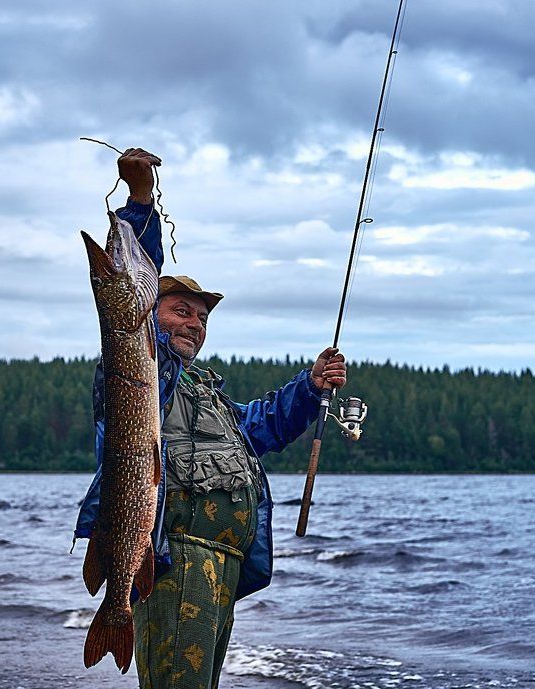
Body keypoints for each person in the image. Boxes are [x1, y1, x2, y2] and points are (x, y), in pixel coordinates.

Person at [75, 148, 347, 688]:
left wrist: (310, 388)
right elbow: (133, 288)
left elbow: (261, 426)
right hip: (177, 559)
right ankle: (116, 612)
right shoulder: (146, 370)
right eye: (181, 310)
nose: (195, 324)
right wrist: (139, 202)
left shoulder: (204, 390)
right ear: (151, 312)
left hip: (222, 567)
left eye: (202, 318)